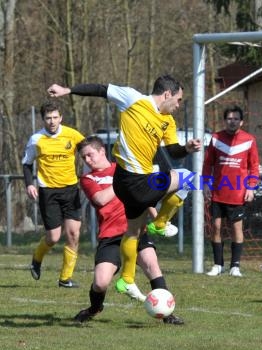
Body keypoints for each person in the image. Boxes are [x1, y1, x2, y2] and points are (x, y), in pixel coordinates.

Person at [47, 75, 201, 300]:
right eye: (178, 100)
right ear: (167, 94)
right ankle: (160, 222)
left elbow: (173, 151)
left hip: (125, 183)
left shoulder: (167, 121)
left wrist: (186, 148)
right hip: (135, 182)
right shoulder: (133, 99)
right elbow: (100, 88)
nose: (178, 106)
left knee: (133, 231)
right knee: (188, 178)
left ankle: (127, 279)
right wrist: (67, 90)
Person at [73, 136, 183, 324]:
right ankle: (95, 307)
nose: (88, 160)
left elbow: (143, 196)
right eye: (84, 158)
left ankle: (167, 314)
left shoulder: (123, 170)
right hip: (110, 237)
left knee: (151, 264)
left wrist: (157, 217)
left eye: (90, 155)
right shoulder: (88, 179)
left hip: (135, 230)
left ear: (102, 151)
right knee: (100, 283)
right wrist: (125, 183)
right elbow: (100, 199)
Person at [22, 100, 84, 288]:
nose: (52, 121)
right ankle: (37, 258)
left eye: (55, 117)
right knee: (54, 237)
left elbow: (90, 152)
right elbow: (26, 163)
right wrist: (29, 184)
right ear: (43, 119)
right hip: (48, 192)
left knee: (73, 234)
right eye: (48, 118)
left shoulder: (73, 135)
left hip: (71, 190)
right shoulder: (36, 139)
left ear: (61, 117)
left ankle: (65, 278)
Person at [203, 105, 259, 277]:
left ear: (241, 122)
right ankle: (218, 265)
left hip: (238, 193)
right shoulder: (215, 138)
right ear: (225, 120)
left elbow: (254, 167)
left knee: (236, 229)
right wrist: (205, 183)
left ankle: (235, 266)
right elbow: (207, 164)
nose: (232, 121)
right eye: (229, 119)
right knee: (216, 227)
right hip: (218, 193)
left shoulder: (249, 140)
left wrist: (251, 187)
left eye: (236, 119)